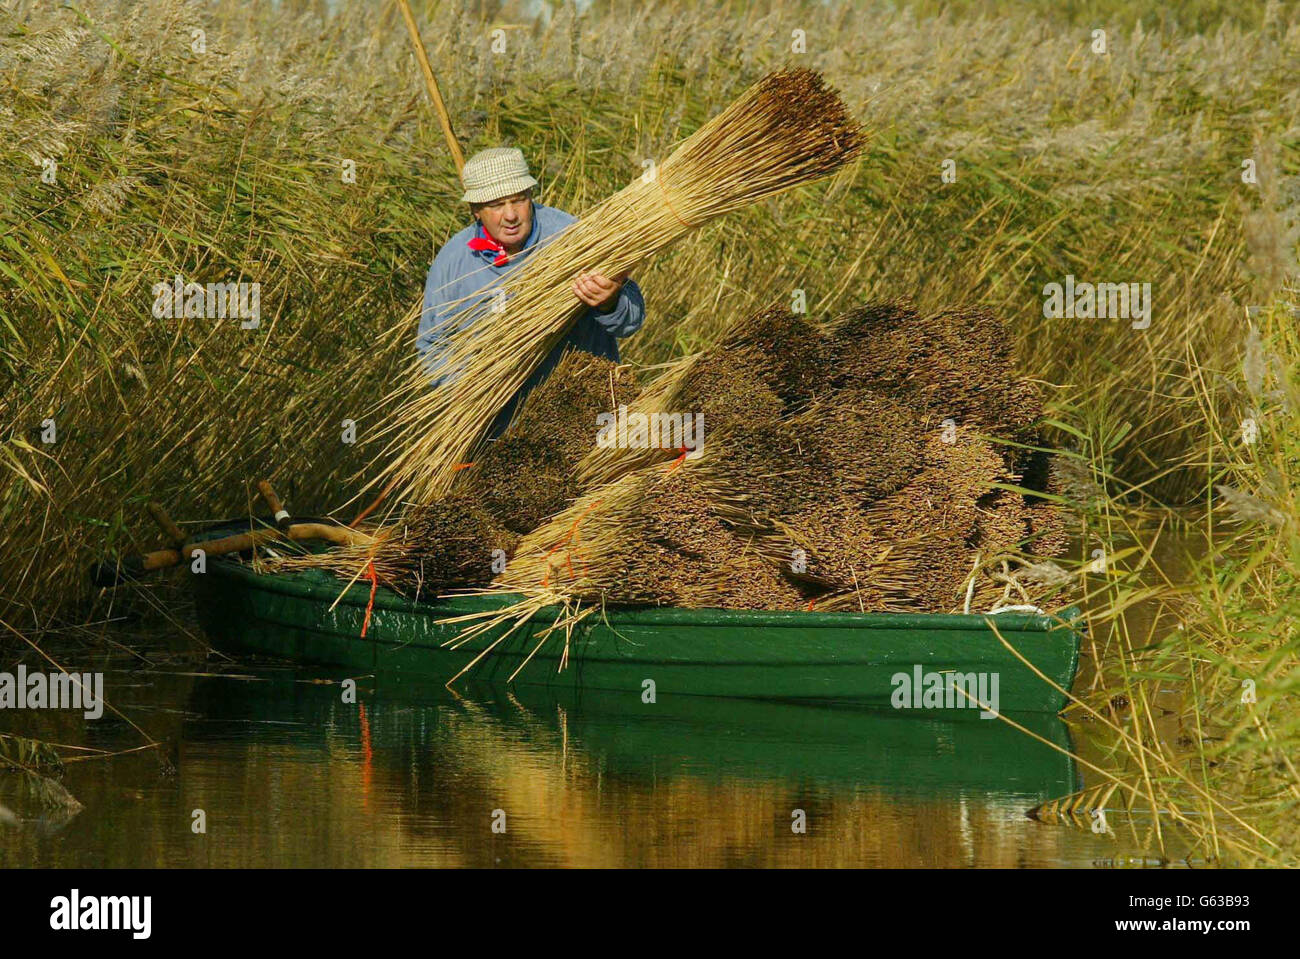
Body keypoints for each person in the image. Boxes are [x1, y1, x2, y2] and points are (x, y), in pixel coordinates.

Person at [417, 147, 645, 438]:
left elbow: (632, 320)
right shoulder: (453, 264)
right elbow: (432, 345)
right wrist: (471, 390)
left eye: (519, 200)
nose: (510, 215)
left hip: (585, 411)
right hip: (500, 432)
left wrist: (609, 302)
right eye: (497, 205)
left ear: (531, 196)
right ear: (476, 210)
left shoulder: (572, 237)